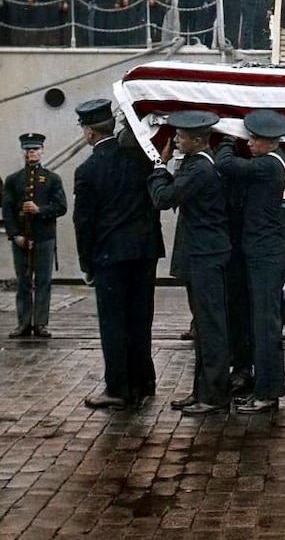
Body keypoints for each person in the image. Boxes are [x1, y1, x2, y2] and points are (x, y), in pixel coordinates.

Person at [73, 99, 163, 410]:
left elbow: (84, 223)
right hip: (144, 251)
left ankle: (118, 388)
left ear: (88, 133)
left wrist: (86, 263)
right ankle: (144, 381)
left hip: (110, 255)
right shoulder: (141, 160)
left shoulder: (87, 170)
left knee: (113, 323)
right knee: (141, 318)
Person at [147, 111, 231, 416]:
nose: (175, 140)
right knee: (204, 328)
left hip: (205, 256)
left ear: (197, 140)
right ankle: (202, 391)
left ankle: (214, 395)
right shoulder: (199, 164)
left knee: (210, 328)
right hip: (204, 253)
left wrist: (159, 165)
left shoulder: (200, 170)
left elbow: (163, 198)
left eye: (180, 136)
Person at [214, 110, 285, 413]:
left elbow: (226, 164)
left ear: (269, 142)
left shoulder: (268, 165)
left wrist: (225, 138)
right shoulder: (271, 161)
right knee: (262, 322)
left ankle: (268, 392)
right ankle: (265, 388)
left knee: (265, 324)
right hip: (261, 250)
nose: (248, 143)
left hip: (265, 253)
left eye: (253, 139)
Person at [4, 132, 67, 338]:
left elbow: (61, 206)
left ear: (42, 151)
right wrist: (15, 236)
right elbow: (8, 210)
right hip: (21, 239)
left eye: (35, 149)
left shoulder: (51, 179)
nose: (31, 153)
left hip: (44, 237)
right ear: (23, 152)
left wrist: (39, 210)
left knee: (43, 281)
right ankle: (23, 323)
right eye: (28, 150)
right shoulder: (13, 180)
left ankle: (40, 323)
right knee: (23, 281)